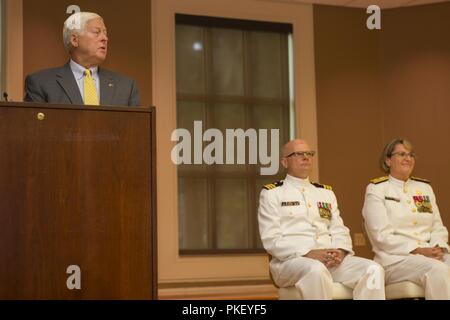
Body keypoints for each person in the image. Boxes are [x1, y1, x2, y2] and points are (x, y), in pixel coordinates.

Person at [258, 139, 385, 300]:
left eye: (309, 154)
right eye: (298, 154)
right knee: (316, 269)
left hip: (330, 261)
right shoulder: (272, 193)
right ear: (285, 162)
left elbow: (339, 229)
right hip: (290, 262)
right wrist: (308, 253)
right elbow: (271, 239)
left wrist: (340, 251)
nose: (306, 157)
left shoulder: (325, 193)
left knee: (373, 269)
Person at [363, 138, 450, 299]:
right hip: (394, 260)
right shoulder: (377, 189)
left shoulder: (424, 188)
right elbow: (381, 236)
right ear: (388, 160)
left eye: (411, 155)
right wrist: (417, 250)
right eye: (402, 154)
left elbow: (438, 227)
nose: (408, 159)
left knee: (441, 264)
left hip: (429, 254)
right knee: (437, 269)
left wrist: (437, 247)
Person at [24, 12, 140, 106]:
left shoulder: (126, 86)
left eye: (105, 33)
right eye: (97, 32)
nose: (105, 38)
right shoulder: (41, 83)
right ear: (75, 40)